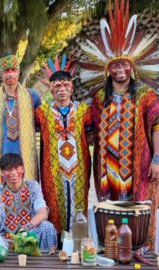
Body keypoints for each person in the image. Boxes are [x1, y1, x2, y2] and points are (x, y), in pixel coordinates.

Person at [77, 0, 159, 252]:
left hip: (139, 166)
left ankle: (139, 248)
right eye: (115, 65)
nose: (120, 69)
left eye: (124, 64)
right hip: (107, 169)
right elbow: (88, 131)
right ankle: (112, 248)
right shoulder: (97, 99)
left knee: (138, 210)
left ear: (132, 67)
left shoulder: (146, 95)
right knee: (109, 210)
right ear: (107, 70)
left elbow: (158, 125)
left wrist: (158, 158)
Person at [35, 56, 94, 248]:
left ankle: (78, 243)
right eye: (57, 86)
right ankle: (56, 245)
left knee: (79, 205)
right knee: (54, 203)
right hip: (52, 169)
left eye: (65, 85)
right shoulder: (41, 113)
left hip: (79, 167)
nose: (61, 90)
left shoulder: (85, 111)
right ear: (50, 89)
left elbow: (92, 136)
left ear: (71, 88)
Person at [0, 153, 57, 253]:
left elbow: (43, 213)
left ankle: (45, 261)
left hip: (30, 234)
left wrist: (25, 229)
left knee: (47, 227)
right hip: (6, 238)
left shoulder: (33, 186)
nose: (13, 173)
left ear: (23, 169)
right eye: (8, 169)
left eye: (16, 168)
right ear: (2, 172)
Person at [0, 54, 41, 189]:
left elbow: (40, 124)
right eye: (6, 71)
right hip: (1, 155)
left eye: (13, 70)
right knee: (3, 194)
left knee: (27, 191)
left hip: (25, 156)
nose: (10, 74)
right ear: (1, 73)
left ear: (18, 72)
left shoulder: (32, 96)